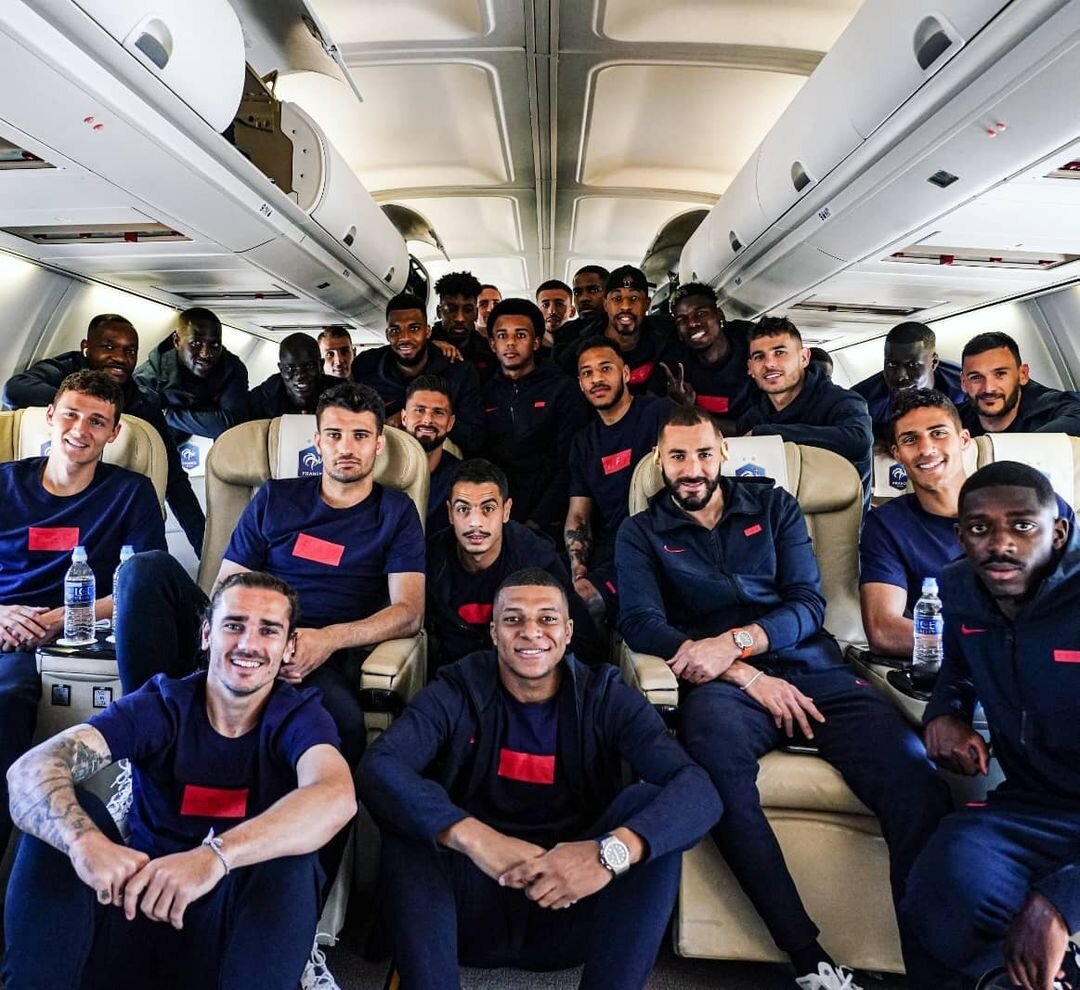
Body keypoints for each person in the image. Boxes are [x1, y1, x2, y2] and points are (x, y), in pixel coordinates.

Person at [616, 404, 951, 990]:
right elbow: (641, 623)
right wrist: (741, 672)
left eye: (703, 454)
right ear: (658, 461)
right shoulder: (641, 531)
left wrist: (738, 642)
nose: (691, 469)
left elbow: (807, 604)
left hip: (809, 665)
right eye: (677, 457)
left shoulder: (774, 506)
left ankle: (932, 971)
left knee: (914, 775)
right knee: (714, 772)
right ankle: (808, 959)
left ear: (723, 453)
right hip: (721, 687)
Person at [357, 568, 722, 990]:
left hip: (573, 905)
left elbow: (699, 791)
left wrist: (607, 854)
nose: (531, 632)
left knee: (647, 809)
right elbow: (379, 767)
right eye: (513, 619)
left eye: (547, 619)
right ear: (494, 633)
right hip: (465, 915)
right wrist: (474, 837)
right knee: (415, 813)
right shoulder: (457, 687)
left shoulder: (604, 695)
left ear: (568, 632)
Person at [2, 571, 357, 990]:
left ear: (289, 647)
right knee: (61, 822)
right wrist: (84, 843)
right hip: (135, 909)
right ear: (206, 635)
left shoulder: (299, 717)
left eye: (268, 630)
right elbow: (30, 770)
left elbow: (335, 796)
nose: (248, 644)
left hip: (233, 941)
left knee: (291, 863)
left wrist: (214, 857)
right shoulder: (163, 704)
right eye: (234, 625)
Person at [111, 382, 425, 770]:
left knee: (343, 724)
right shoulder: (275, 497)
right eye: (334, 435)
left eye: (360, 436)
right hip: (242, 629)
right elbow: (228, 586)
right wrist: (252, 637)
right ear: (318, 442)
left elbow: (409, 612)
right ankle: (142, 750)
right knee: (145, 568)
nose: (346, 447)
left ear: (378, 444)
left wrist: (329, 639)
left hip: (314, 652)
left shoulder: (396, 512)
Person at [902, 462, 1080, 990]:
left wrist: (1061, 903)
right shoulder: (960, 587)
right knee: (941, 879)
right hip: (1032, 804)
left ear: (1057, 532)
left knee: (1047, 911)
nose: (1001, 544)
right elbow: (958, 666)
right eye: (980, 528)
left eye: (1022, 526)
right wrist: (946, 713)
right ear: (961, 536)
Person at [0, 370, 167, 856]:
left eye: (97, 421)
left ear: (114, 433)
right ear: (50, 416)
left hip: (67, 640)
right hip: (5, 625)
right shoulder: (5, 484)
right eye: (71, 415)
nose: (80, 429)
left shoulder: (129, 493)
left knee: (6, 698)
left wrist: (59, 618)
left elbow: (141, 588)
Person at [1, 313, 205, 554]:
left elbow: (175, 480)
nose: (120, 358)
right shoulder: (10, 483)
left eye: (130, 351)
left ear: (114, 431)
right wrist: (84, 405)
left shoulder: (143, 405)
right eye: (108, 347)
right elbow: (14, 390)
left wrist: (205, 551)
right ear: (86, 347)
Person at [427, 460, 596, 669]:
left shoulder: (537, 559)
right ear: (450, 513)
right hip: (455, 677)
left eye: (488, 508)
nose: (475, 522)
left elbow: (582, 641)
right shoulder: (432, 559)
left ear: (506, 511)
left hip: (524, 674)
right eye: (463, 509)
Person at [859, 389, 974, 658]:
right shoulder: (888, 526)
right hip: (957, 666)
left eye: (938, 433)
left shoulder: (1022, 503)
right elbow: (884, 631)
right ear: (897, 454)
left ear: (963, 439)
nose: (926, 449)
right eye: (911, 439)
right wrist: (986, 650)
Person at [566, 337, 673, 621]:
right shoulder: (583, 442)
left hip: (669, 543)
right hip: (616, 552)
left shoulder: (660, 413)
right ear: (580, 384)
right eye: (587, 373)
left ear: (625, 373)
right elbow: (578, 515)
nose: (596, 379)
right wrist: (578, 566)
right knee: (574, 604)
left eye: (605, 368)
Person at [481, 298, 589, 539]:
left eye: (520, 335)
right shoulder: (484, 392)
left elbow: (570, 462)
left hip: (550, 518)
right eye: (502, 335)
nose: (510, 343)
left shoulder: (561, 388)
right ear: (492, 344)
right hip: (498, 517)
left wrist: (537, 522)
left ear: (536, 342)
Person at [738, 316, 874, 505]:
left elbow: (858, 441)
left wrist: (768, 435)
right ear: (750, 368)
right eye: (759, 357)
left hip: (839, 518)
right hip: (777, 519)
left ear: (803, 358)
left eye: (779, 353)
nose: (769, 364)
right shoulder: (751, 419)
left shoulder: (842, 402)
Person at [351, 291, 483, 454]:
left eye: (414, 329)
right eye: (395, 330)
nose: (405, 338)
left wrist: (418, 419)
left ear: (427, 332)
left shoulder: (459, 372)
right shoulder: (366, 367)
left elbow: (474, 436)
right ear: (387, 335)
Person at [134, 307, 249, 443]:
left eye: (214, 345)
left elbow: (231, 424)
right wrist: (208, 414)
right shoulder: (148, 378)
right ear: (177, 341)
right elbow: (138, 431)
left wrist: (167, 414)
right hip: (157, 445)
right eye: (196, 343)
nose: (206, 353)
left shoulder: (231, 369)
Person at [852, 322, 966, 442]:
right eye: (892, 364)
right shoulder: (862, 403)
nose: (900, 376)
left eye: (912, 365)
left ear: (933, 362)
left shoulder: (964, 387)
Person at [661, 281, 752, 433]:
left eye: (701, 313)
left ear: (720, 315)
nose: (692, 323)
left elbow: (752, 428)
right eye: (682, 320)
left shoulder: (751, 347)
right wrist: (681, 406)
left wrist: (692, 412)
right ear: (679, 333)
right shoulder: (676, 369)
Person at [959, 331, 1080, 437]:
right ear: (963, 382)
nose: (988, 388)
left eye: (1000, 374)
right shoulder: (956, 418)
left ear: (1023, 374)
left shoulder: (1053, 406)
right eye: (976, 377)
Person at [594, 265, 673, 393]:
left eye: (634, 298)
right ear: (605, 305)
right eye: (617, 298)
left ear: (647, 304)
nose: (625, 306)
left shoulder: (668, 337)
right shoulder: (581, 348)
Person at [399, 374, 460, 538]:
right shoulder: (379, 471)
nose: (427, 420)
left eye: (438, 412)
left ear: (450, 423)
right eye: (419, 410)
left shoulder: (460, 478)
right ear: (404, 417)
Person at [246, 332, 336, 419]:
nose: (300, 375)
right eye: (290, 368)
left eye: (309, 366)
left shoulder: (340, 392)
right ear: (281, 369)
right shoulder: (260, 400)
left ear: (321, 365)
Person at [550, 265, 610, 370]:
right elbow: (562, 364)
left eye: (593, 290)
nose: (583, 298)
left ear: (609, 294)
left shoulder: (621, 327)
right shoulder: (565, 332)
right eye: (577, 293)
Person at [535, 279, 575, 350]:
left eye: (559, 304)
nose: (552, 311)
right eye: (545, 305)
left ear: (572, 311)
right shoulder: (528, 349)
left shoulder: (583, 345)